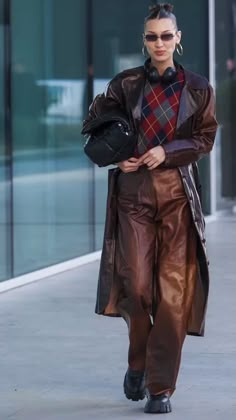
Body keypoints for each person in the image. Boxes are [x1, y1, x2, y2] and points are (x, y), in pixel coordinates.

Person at [82, 3, 218, 415]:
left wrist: (168, 150)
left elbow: (205, 138)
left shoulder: (197, 88)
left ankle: (160, 388)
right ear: (144, 40)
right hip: (133, 198)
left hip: (177, 199)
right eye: (151, 36)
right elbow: (94, 123)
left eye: (166, 35)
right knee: (137, 289)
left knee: (173, 299)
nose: (159, 43)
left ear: (178, 39)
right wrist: (118, 154)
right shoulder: (124, 84)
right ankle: (137, 363)